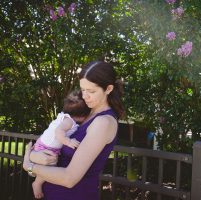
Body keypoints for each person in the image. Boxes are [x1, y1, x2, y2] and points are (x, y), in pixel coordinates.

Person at [23, 61, 125, 200]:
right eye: (83, 90)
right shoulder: (84, 113)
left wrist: (29, 166)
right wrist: (34, 156)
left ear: (108, 89)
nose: (85, 96)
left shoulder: (103, 122)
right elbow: (51, 139)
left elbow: (69, 178)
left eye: (92, 91)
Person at [31, 90, 91, 199]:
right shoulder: (69, 122)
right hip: (46, 148)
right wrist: (68, 141)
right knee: (49, 167)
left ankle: (37, 181)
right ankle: (37, 183)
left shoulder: (65, 117)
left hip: (44, 144)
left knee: (49, 166)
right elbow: (58, 132)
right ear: (82, 115)